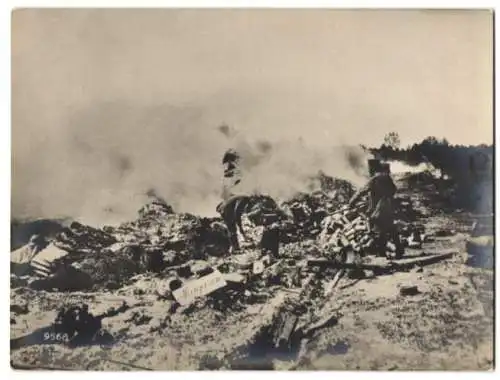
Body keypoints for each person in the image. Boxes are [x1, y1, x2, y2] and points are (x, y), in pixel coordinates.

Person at [348, 163, 404, 259]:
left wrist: (351, 202)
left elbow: (362, 191)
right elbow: (394, 190)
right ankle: (399, 251)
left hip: (378, 211)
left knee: (379, 232)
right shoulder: (388, 179)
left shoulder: (374, 179)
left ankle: (382, 253)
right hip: (387, 209)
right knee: (391, 229)